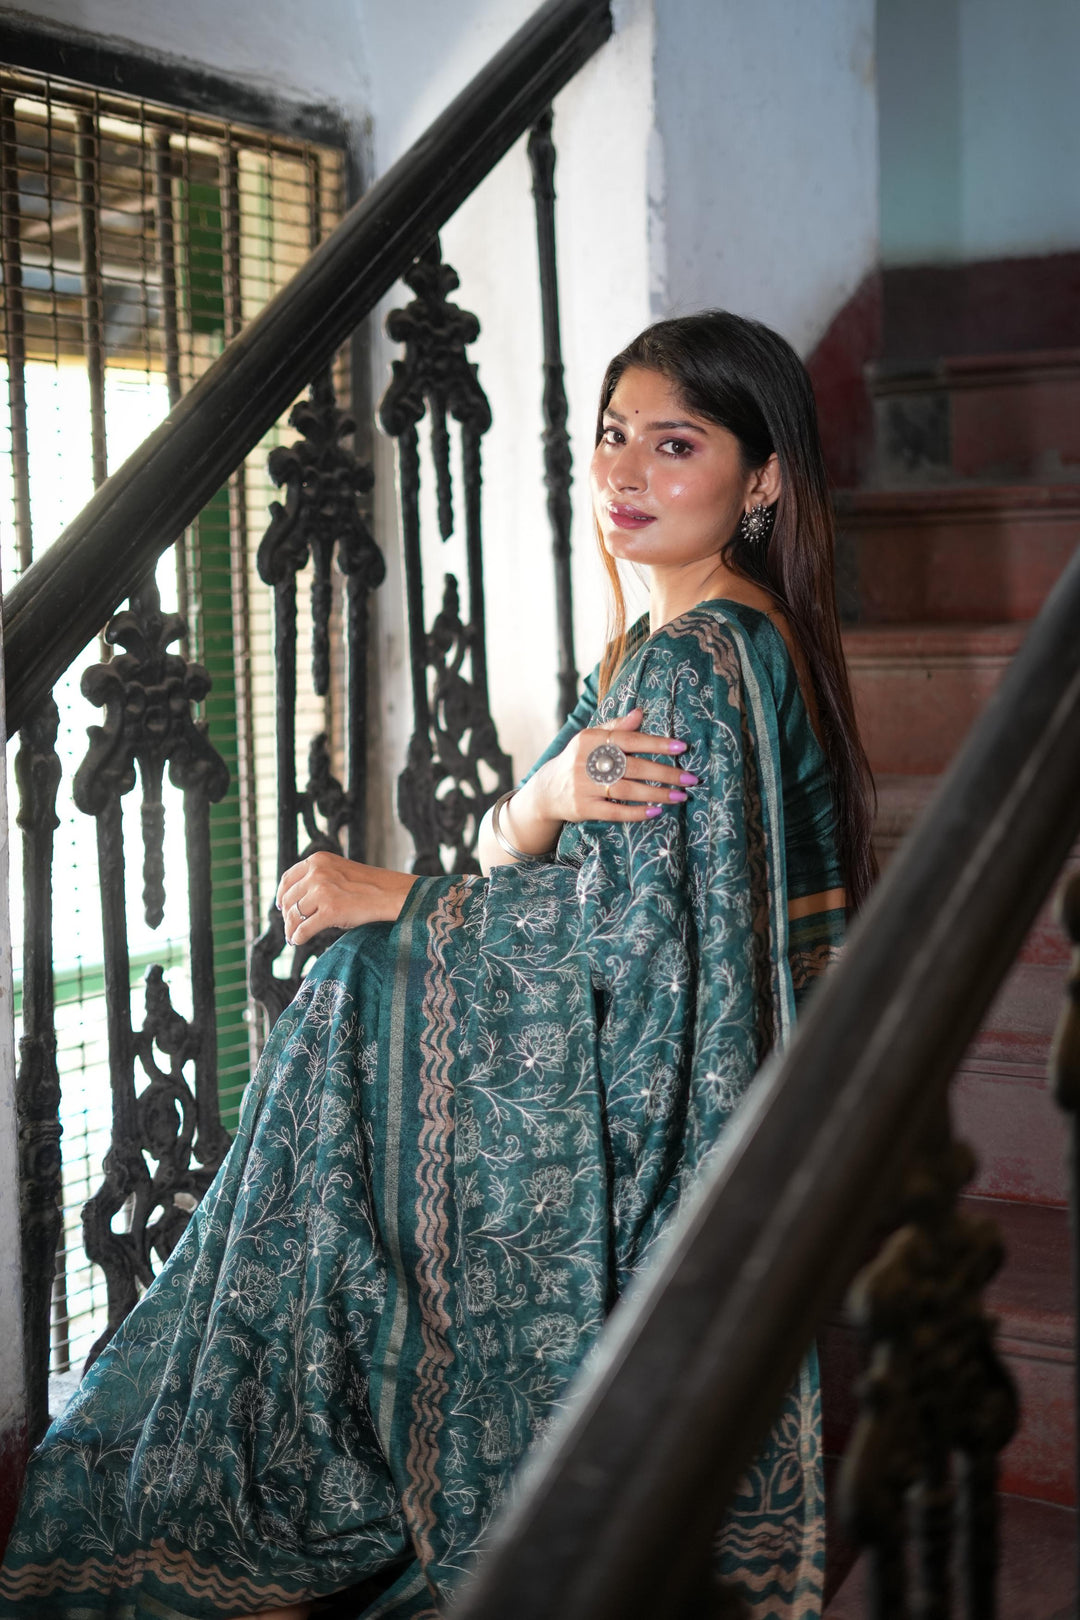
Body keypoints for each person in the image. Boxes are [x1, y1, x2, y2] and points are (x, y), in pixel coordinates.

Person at [0, 310, 874, 1620]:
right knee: (371, 993)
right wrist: (544, 794)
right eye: (612, 435)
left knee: (360, 997)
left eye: (675, 445)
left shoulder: (703, 664)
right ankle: (293, 1437)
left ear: (762, 483)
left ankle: (276, 1462)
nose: (625, 474)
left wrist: (400, 898)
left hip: (717, 1102)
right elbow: (543, 859)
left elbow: (651, 965)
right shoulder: (674, 642)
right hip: (727, 1066)